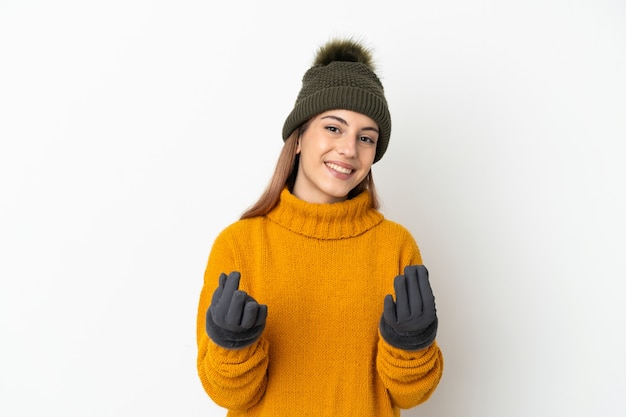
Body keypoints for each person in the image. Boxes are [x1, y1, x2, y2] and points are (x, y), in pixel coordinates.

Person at [196, 38, 444, 417]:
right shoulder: (239, 245)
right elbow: (227, 395)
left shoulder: (395, 246)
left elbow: (409, 396)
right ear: (298, 138)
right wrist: (233, 348)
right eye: (334, 128)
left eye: (366, 138)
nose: (349, 149)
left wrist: (412, 345)